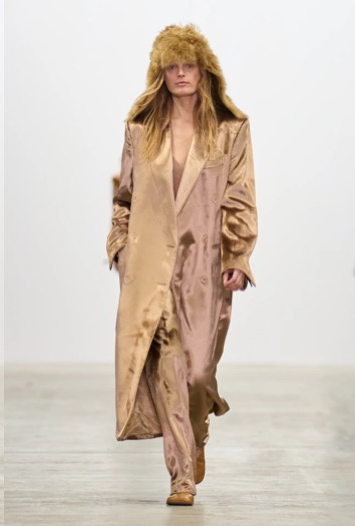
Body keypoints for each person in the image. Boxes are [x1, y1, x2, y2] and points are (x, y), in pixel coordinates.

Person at [107, 24, 257, 506]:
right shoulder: (140, 129)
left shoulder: (231, 130)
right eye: (171, 66)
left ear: (204, 70)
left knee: (198, 374)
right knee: (169, 370)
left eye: (187, 65)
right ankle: (180, 477)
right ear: (161, 72)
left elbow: (240, 197)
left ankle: (197, 431)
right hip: (151, 268)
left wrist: (238, 255)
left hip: (205, 268)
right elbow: (124, 197)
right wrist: (119, 247)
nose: (180, 74)